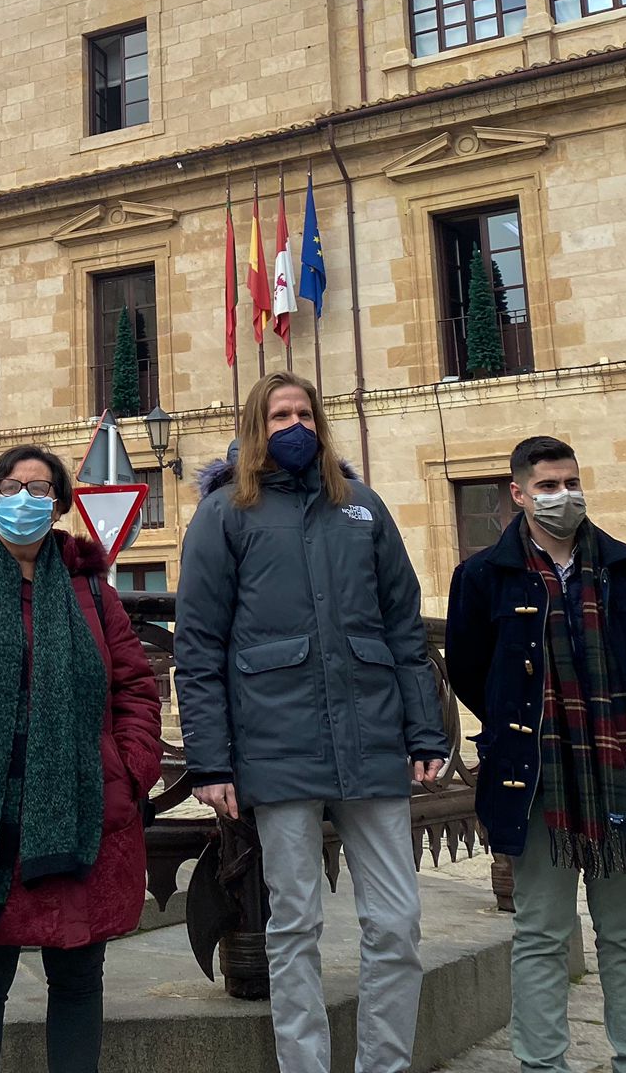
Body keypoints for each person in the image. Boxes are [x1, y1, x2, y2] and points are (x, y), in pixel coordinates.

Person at [175, 372, 450, 1073]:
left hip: (372, 740)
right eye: (277, 415)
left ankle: (383, 1065)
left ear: (320, 423)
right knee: (293, 925)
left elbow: (402, 626)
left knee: (396, 923)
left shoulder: (362, 506)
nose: (292, 424)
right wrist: (211, 762)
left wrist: (425, 731)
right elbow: (200, 642)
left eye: (303, 412)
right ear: (254, 426)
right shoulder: (224, 513)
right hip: (277, 744)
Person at [0, 444, 163, 1073]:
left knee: (77, 980)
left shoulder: (90, 590)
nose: (26, 500)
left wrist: (126, 770)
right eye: (14, 487)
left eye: (41, 490)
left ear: (60, 505)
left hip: (81, 811)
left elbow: (135, 688)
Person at [445, 436, 626, 1073]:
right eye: (548, 486)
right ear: (518, 493)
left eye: (570, 483)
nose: (563, 496)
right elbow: (471, 672)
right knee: (539, 935)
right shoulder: (482, 576)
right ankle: (542, 1066)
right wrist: (521, 727)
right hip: (538, 781)